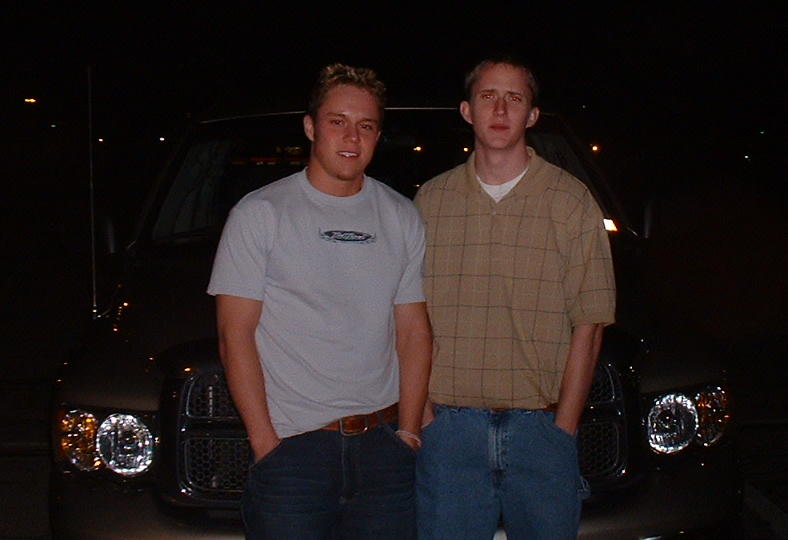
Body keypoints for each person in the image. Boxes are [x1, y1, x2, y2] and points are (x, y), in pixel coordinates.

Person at [207, 63, 432, 539]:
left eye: (366, 125)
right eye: (337, 121)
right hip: (294, 453)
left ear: (378, 135)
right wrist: (266, 444)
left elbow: (413, 332)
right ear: (311, 127)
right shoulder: (260, 214)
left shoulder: (401, 216)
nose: (352, 137)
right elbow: (234, 335)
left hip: (384, 450)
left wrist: (410, 433)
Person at [414, 55, 616, 540]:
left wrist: (563, 429)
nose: (500, 109)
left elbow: (589, 324)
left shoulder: (571, 202)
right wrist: (424, 418)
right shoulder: (431, 202)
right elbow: (408, 318)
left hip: (540, 434)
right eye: (488, 96)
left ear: (532, 115)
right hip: (449, 435)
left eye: (515, 98)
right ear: (467, 111)